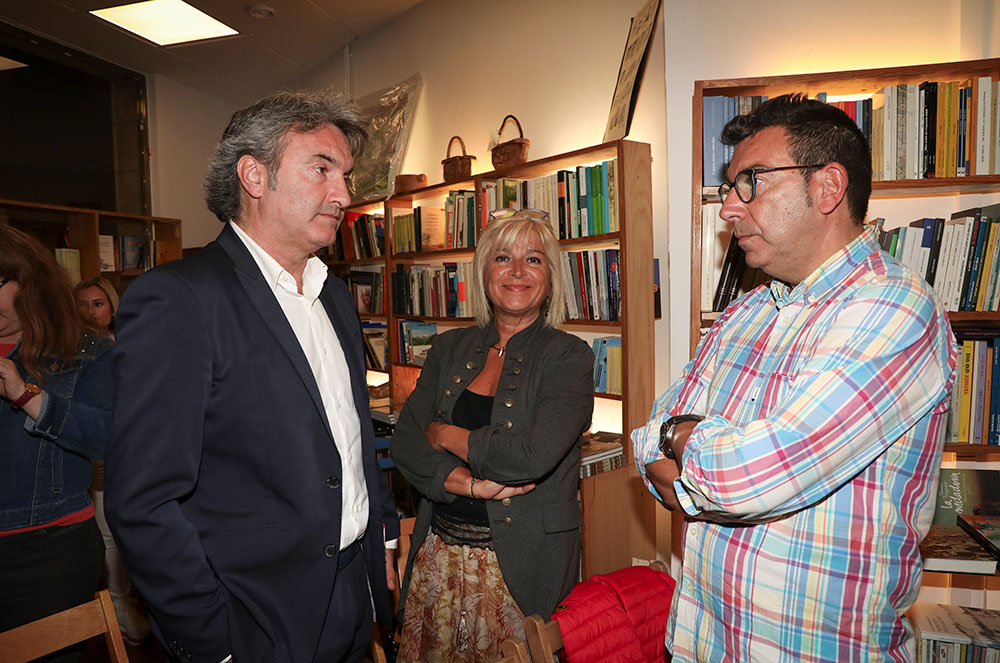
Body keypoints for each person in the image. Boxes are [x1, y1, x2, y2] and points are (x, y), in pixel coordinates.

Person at [632, 94, 957, 662]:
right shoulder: (745, 312)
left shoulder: (895, 308)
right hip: (701, 646)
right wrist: (677, 446)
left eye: (750, 182)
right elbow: (645, 439)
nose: (728, 209)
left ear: (828, 188)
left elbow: (753, 476)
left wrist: (681, 443)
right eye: (729, 187)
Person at [104, 88, 401, 663]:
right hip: (255, 617)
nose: (344, 194)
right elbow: (144, 502)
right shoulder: (180, 299)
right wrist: (214, 641)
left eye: (345, 176)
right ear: (255, 176)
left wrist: (382, 537)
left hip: (353, 594)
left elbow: (353, 436)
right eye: (322, 169)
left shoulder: (335, 297)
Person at [391, 208, 595, 663]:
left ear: (550, 277)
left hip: (522, 569)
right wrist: (467, 484)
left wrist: (444, 433)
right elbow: (404, 442)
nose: (517, 271)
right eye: (503, 258)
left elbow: (530, 456)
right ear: (484, 273)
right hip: (439, 558)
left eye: (533, 259)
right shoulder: (449, 347)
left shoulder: (569, 357)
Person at [0, 226, 112, 662]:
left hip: (48, 552)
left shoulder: (83, 349)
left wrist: (28, 397)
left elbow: (105, 438)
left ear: (29, 282)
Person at [72, 276, 151, 646]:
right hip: (98, 455)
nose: (90, 311)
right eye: (82, 303)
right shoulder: (68, 350)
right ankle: (118, 604)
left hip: (137, 451)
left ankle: (132, 599)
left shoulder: (132, 342)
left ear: (112, 306)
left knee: (134, 531)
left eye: (98, 303)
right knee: (109, 533)